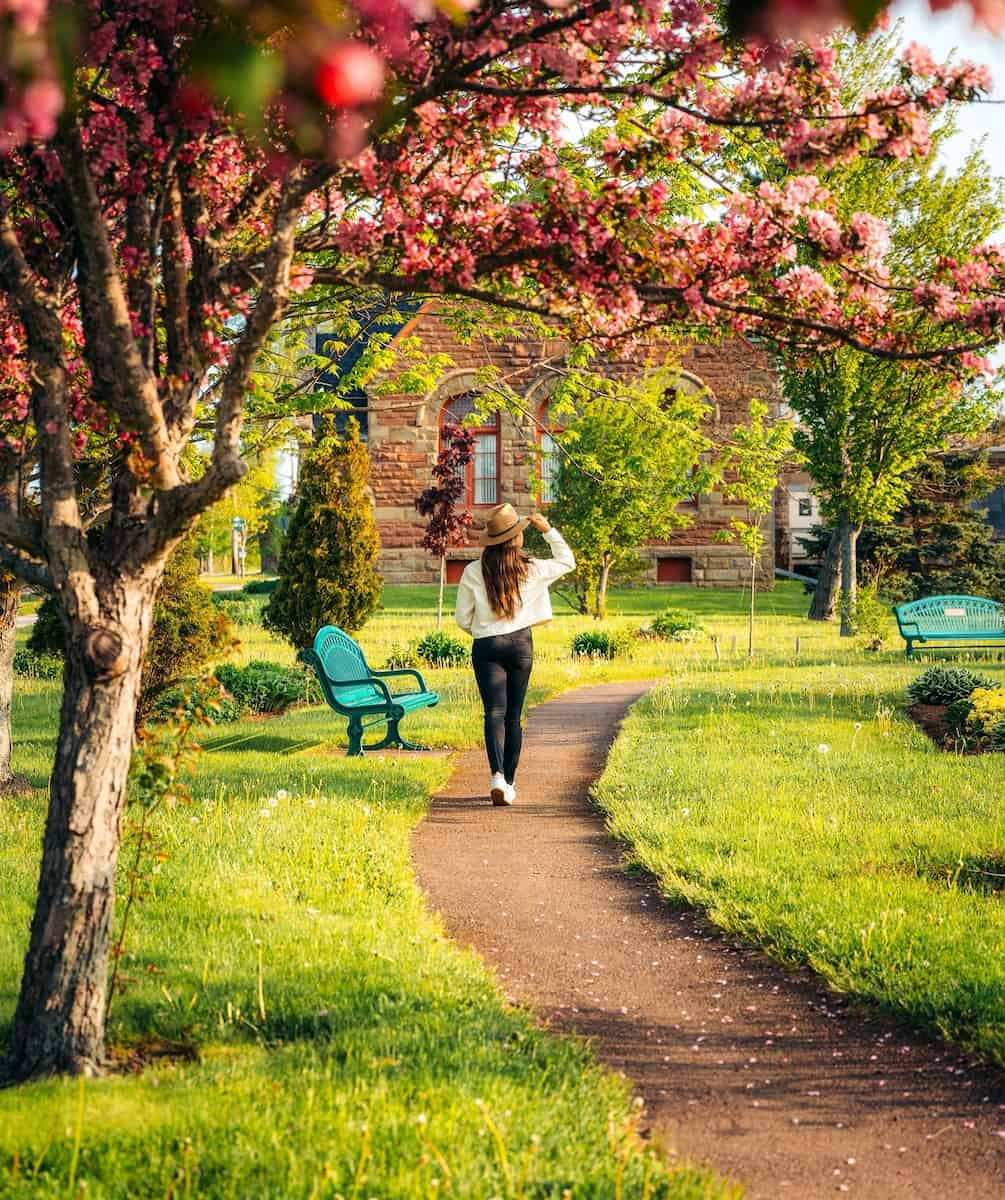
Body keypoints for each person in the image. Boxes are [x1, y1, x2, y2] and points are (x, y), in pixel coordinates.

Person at [454, 502, 575, 806]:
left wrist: (483, 630)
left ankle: (496, 775)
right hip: (520, 644)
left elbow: (462, 618)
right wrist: (547, 530)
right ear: (516, 538)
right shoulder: (531, 568)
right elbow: (566, 561)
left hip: (487, 646)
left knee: (494, 712)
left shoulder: (473, 571)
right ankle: (508, 782)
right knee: (513, 715)